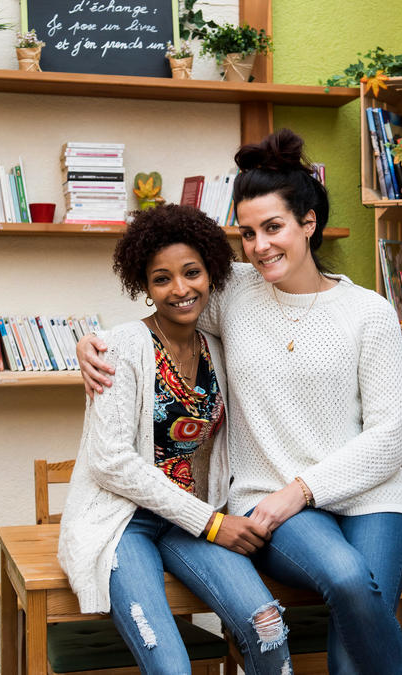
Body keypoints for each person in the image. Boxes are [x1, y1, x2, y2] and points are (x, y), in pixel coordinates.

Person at [78, 129, 402, 674]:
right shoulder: (233, 291)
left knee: (360, 614)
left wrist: (301, 490)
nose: (260, 246)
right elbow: (163, 305)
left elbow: (388, 439)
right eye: (248, 233)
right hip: (269, 500)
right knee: (349, 579)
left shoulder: (369, 312)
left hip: (372, 495)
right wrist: (89, 342)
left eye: (274, 227)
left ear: (309, 223)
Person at [58, 204, 292, 675]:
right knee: (170, 665)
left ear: (211, 273)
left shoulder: (219, 349)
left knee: (267, 628)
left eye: (192, 273)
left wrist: (211, 518)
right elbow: (111, 463)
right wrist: (210, 523)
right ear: (144, 285)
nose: (180, 289)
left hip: (189, 519)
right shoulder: (121, 348)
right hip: (125, 524)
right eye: (162, 278)